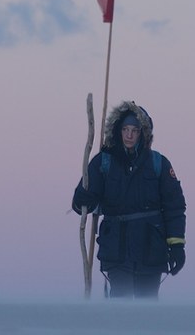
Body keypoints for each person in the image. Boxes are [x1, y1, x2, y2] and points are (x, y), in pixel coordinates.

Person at [72, 101, 187, 299]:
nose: (129, 135)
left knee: (147, 309)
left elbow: (174, 207)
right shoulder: (103, 162)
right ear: (118, 131)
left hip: (151, 250)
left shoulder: (158, 163)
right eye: (125, 129)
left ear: (143, 133)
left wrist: (176, 245)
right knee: (121, 308)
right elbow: (81, 203)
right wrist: (83, 197)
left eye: (134, 130)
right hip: (117, 250)